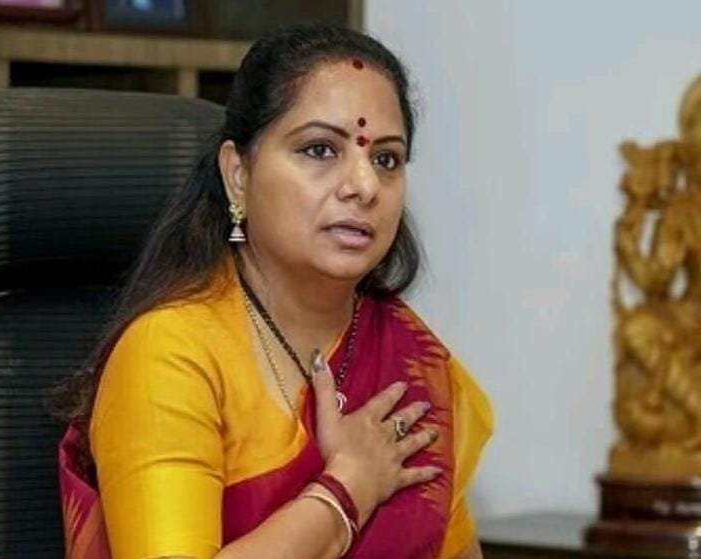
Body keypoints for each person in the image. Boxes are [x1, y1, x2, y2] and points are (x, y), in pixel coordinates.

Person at [55, 23, 493, 559]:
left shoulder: (412, 364)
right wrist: (347, 490)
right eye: (320, 149)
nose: (364, 186)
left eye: (386, 159)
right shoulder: (169, 355)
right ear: (238, 174)